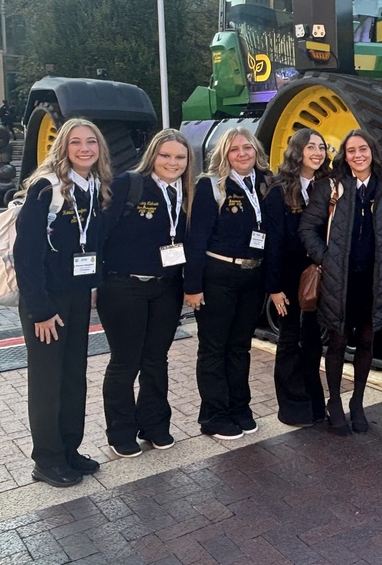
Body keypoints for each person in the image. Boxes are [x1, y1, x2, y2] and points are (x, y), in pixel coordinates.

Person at [14, 119, 112, 487]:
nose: (85, 148)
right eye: (76, 142)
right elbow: (26, 253)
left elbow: (92, 243)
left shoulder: (94, 186)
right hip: (47, 301)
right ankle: (47, 459)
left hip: (76, 296)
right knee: (47, 382)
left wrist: (93, 285)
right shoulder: (46, 187)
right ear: (64, 148)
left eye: (91, 141)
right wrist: (40, 309)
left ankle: (70, 449)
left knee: (73, 376)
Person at [298, 129, 382, 436]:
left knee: (367, 342)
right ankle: (334, 402)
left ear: (372, 151)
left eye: (363, 149)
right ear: (345, 156)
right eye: (351, 150)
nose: (358, 155)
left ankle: (357, 403)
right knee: (337, 342)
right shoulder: (331, 187)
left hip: (373, 281)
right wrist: (326, 259)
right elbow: (308, 228)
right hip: (339, 281)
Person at [98, 129, 194, 458]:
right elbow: (101, 232)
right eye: (165, 155)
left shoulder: (188, 192)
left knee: (156, 360)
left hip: (167, 287)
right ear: (153, 155)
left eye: (180, 157)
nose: (172, 162)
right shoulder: (129, 184)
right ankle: (120, 431)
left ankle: (154, 425)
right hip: (124, 287)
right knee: (125, 362)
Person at [184, 128, 275, 441]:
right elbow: (196, 238)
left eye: (247, 147)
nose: (242, 154)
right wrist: (193, 285)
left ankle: (239, 408)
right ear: (224, 154)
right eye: (234, 149)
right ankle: (214, 415)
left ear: (256, 150)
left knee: (240, 347)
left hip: (252, 277)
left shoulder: (266, 182)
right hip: (218, 276)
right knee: (214, 348)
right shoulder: (210, 185)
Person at [264, 128, 330, 427]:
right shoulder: (279, 191)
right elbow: (273, 243)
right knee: (290, 340)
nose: (317, 152)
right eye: (311, 147)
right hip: (290, 278)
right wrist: (274, 288)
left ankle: (315, 405)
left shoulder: (327, 187)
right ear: (297, 151)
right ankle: (292, 409)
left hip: (319, 276)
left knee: (313, 342)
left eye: (321, 147)